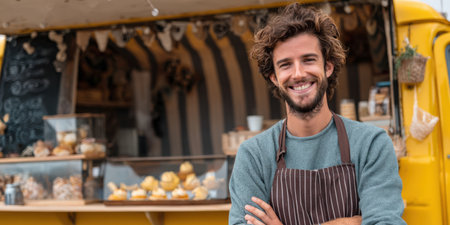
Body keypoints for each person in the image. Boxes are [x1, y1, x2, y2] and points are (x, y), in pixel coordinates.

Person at [228, 3, 406, 225]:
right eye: (285, 65)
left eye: (308, 60)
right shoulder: (254, 156)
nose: (299, 73)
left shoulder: (371, 144)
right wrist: (350, 222)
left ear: (328, 66)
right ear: (273, 77)